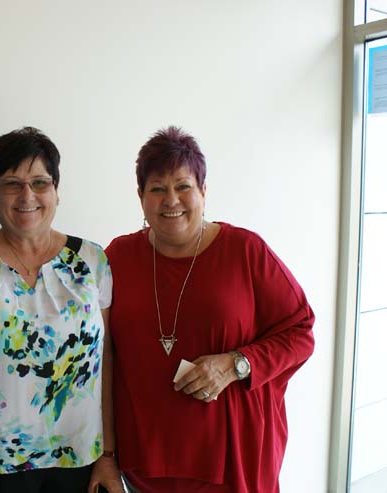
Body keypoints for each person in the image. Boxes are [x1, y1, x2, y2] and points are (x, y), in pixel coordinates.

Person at [105, 126, 315, 493]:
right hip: (144, 468)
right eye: (157, 188)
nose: (171, 200)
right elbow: (102, 358)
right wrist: (105, 455)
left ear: (203, 190)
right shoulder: (118, 257)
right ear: (141, 197)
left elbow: (300, 332)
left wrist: (236, 363)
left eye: (183, 186)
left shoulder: (245, 251)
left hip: (231, 465)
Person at [0, 127, 124, 493]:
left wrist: (109, 454)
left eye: (40, 182)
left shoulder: (92, 261)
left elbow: (107, 359)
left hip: (80, 452)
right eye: (12, 183)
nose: (27, 195)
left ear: (56, 192)